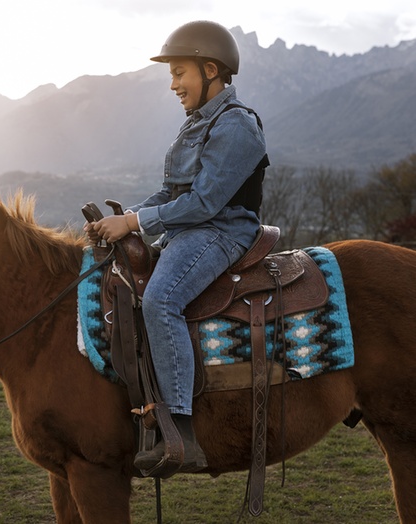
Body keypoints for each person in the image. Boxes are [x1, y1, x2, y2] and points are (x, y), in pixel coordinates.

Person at [84, 20, 267, 473]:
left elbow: (204, 203)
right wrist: (122, 221)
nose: (173, 85)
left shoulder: (236, 126)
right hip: (192, 229)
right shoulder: (195, 125)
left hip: (222, 231)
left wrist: (135, 222)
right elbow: (170, 196)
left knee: (162, 298)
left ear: (210, 70)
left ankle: (181, 429)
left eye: (179, 73)